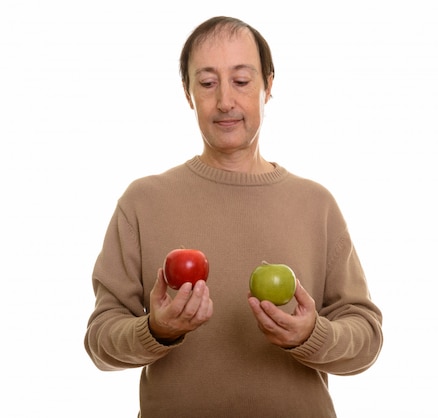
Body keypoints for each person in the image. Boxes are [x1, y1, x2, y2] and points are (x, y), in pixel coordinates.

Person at [84, 16, 383, 418]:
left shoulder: (316, 204)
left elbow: (366, 338)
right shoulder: (143, 202)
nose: (225, 100)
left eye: (241, 81)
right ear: (189, 94)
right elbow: (100, 340)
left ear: (269, 86)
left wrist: (312, 334)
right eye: (207, 83)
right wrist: (155, 330)